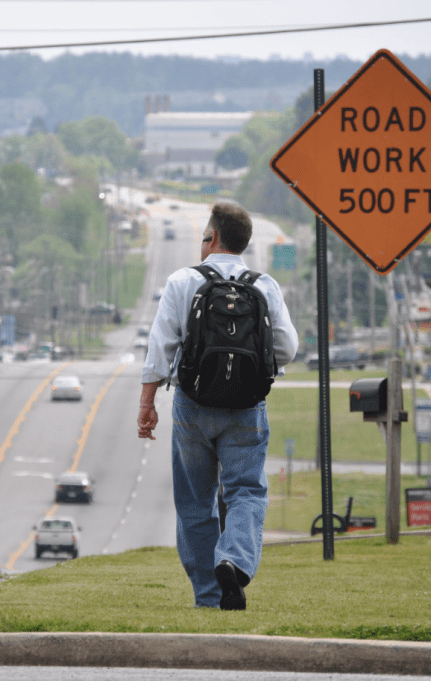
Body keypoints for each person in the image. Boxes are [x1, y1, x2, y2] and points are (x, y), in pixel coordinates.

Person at [137, 202, 298, 610]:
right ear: (243, 244)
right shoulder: (264, 286)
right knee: (246, 491)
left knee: (195, 501)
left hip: (193, 406)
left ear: (211, 239)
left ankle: (209, 597)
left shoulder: (182, 281)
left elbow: (161, 348)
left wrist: (148, 403)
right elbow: (288, 349)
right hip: (246, 407)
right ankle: (234, 560)